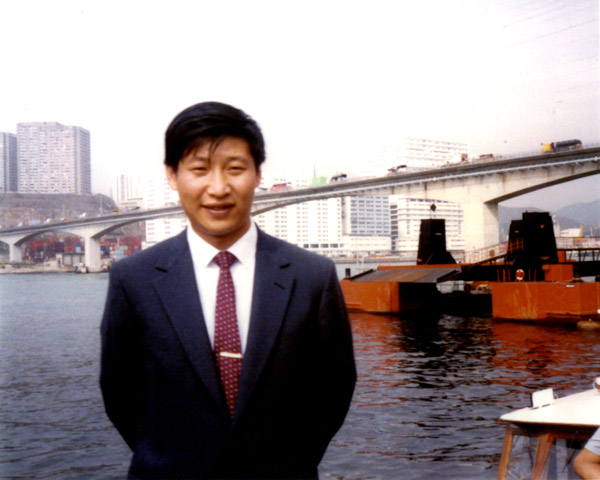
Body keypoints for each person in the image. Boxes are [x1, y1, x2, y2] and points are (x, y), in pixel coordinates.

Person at [100, 101, 356, 480]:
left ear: (257, 174)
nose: (218, 188)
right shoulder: (133, 278)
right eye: (199, 169)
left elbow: (333, 388)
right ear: (172, 175)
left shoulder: (312, 276)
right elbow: (119, 391)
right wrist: (165, 457)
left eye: (235, 169)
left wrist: (291, 461)